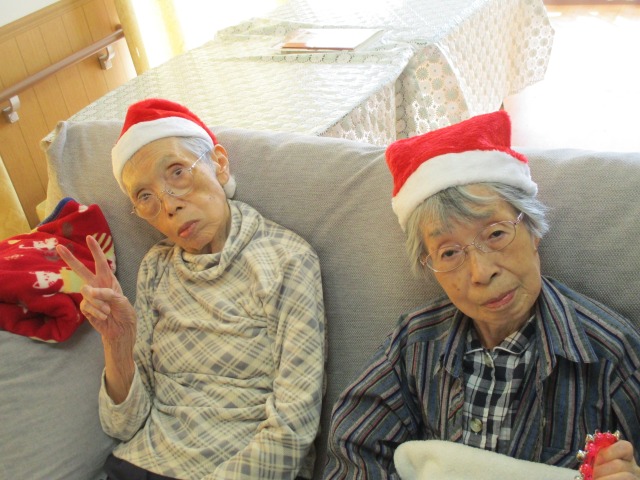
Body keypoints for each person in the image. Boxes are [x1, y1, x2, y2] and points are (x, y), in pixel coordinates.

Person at [323, 111, 640, 479]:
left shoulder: (610, 354)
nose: (481, 272)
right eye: (449, 253)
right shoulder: (414, 344)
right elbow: (354, 447)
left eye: (496, 234)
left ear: (533, 229)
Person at [56, 98, 326, 480]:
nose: (169, 206)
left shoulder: (288, 260)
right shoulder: (156, 267)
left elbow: (294, 427)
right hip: (138, 464)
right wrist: (118, 342)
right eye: (145, 196)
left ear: (219, 163)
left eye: (178, 172)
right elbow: (122, 426)